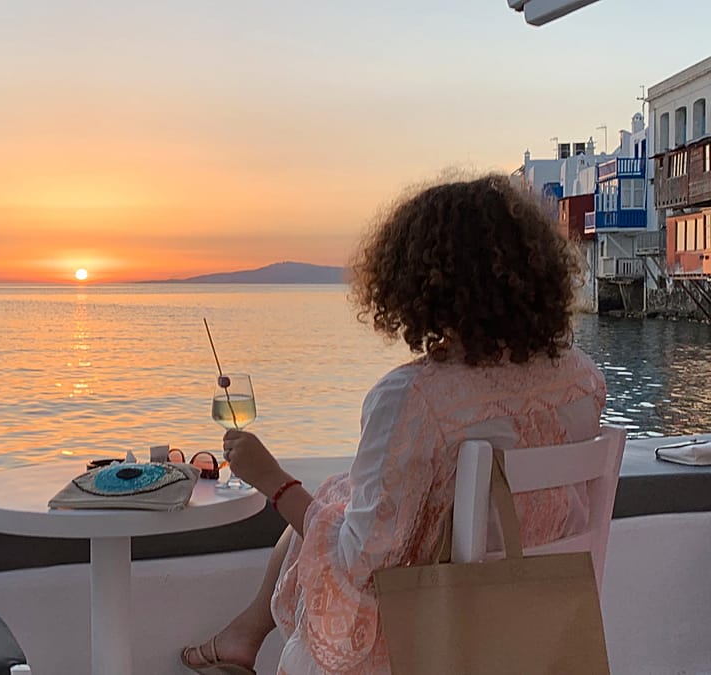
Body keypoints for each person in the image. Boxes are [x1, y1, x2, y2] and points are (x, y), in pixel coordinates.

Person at [181, 174, 607, 675]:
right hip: (538, 621)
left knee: (328, 515)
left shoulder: (414, 398)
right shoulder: (581, 377)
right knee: (337, 498)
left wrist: (272, 480)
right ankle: (243, 636)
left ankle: (242, 636)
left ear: (418, 285)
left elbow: (361, 562)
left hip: (435, 631)